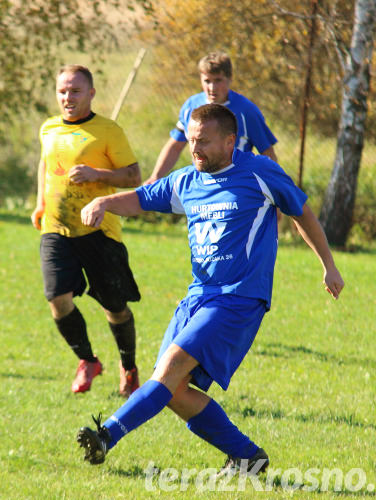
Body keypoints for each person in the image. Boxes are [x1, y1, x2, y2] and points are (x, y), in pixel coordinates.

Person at [76, 104, 344, 475]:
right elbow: (141, 198)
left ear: (230, 141)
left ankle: (106, 435)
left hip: (240, 297)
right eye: (190, 140)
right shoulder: (187, 181)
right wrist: (104, 201)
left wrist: (328, 265)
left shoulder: (259, 172)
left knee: (168, 372)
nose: (194, 149)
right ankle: (248, 457)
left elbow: (301, 212)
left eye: (203, 141)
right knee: (173, 390)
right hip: (197, 296)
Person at [30, 64, 143, 397]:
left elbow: (134, 176)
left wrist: (97, 174)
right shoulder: (49, 128)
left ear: (91, 94)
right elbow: (45, 164)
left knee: (115, 307)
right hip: (56, 228)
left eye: (75, 91)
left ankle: (129, 366)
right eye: (63, 91)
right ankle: (87, 361)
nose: (68, 97)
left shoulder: (108, 131)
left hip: (99, 232)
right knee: (57, 299)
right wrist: (39, 203)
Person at [144, 52, 277, 184]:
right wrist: (156, 177)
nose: (212, 87)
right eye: (207, 81)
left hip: (238, 184)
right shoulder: (191, 106)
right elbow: (175, 146)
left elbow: (267, 152)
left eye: (218, 80)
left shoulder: (246, 111)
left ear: (230, 78)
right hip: (203, 184)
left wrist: (275, 187)